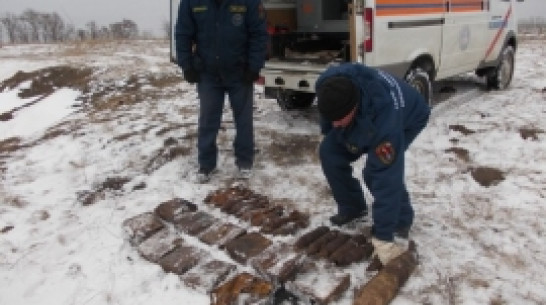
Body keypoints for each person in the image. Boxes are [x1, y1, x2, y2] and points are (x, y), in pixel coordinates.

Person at [315, 63, 430, 265]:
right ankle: (353, 207)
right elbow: (331, 119)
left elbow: (388, 178)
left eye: (339, 119)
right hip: (365, 114)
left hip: (410, 117)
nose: (335, 125)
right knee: (329, 152)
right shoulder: (328, 84)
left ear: (353, 107)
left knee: (376, 171)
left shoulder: (385, 120)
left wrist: (383, 237)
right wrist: (329, 131)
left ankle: (401, 220)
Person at [175, 0, 269, 183]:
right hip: (208, 73)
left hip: (239, 72)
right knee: (208, 120)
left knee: (243, 121)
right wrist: (186, 65)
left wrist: (254, 66)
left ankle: (245, 162)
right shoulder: (191, 2)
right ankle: (206, 165)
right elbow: (183, 33)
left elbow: (258, 34)